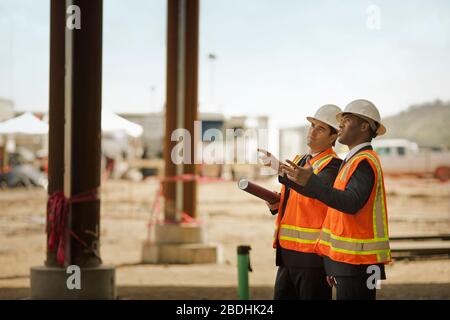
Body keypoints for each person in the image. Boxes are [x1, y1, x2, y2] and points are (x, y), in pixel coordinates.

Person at [282, 99, 391, 300]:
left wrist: (311, 183)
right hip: (348, 261)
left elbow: (350, 203)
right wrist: (333, 263)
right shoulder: (352, 160)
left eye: (347, 120)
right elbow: (337, 210)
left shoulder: (364, 162)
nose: (340, 124)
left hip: (359, 262)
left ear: (365, 126)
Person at [259, 104, 343, 300]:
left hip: (313, 258)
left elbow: (313, 190)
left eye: (320, 128)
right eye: (312, 125)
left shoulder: (334, 166)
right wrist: (276, 204)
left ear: (333, 137)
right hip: (287, 254)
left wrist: (280, 169)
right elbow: (295, 199)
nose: (312, 132)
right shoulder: (300, 160)